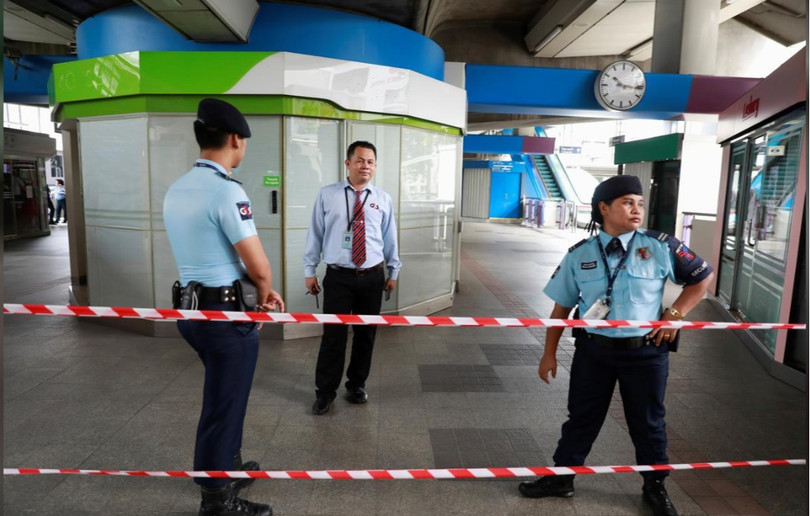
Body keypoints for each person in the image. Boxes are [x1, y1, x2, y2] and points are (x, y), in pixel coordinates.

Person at [518, 175, 714, 516]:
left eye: (639, 203)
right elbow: (561, 307)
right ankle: (562, 478)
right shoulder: (580, 254)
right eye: (627, 202)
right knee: (581, 417)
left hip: (646, 353)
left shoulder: (660, 246)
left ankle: (654, 486)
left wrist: (674, 313)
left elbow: (702, 277)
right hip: (594, 351)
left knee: (648, 421)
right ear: (603, 208)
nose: (636, 209)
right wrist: (548, 352)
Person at [163, 98, 284, 516]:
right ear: (236, 139)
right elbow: (259, 265)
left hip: (191, 313)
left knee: (224, 396)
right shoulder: (227, 191)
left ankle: (226, 465)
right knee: (225, 403)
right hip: (225, 318)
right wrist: (266, 297)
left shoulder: (178, 188)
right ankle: (217, 498)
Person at [304, 140, 401, 415]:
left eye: (370, 161)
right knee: (333, 336)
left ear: (375, 166)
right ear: (348, 163)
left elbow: (389, 238)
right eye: (360, 160)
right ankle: (325, 392)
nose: (365, 166)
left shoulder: (382, 198)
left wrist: (394, 271)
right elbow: (315, 234)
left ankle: (356, 384)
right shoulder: (328, 195)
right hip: (338, 277)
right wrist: (309, 271)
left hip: (372, 276)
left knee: (365, 335)